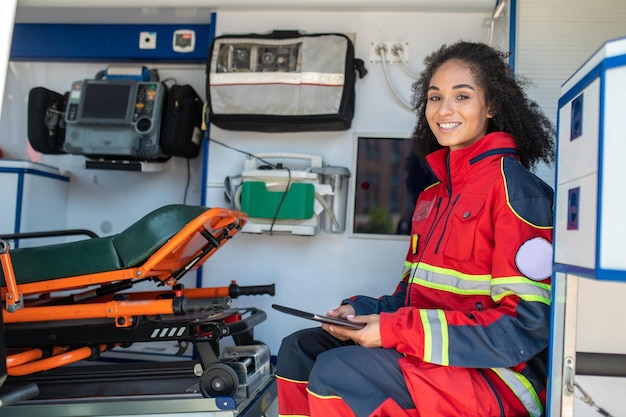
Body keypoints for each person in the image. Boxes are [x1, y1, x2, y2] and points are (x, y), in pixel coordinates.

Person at [274, 40, 556, 417]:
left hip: (497, 379)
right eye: (435, 97)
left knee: (338, 371)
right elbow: (412, 299)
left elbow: (523, 327)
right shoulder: (433, 197)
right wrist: (360, 311)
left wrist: (394, 331)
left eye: (462, 96)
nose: (444, 110)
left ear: (491, 107)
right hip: (433, 359)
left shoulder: (516, 191)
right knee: (299, 350)